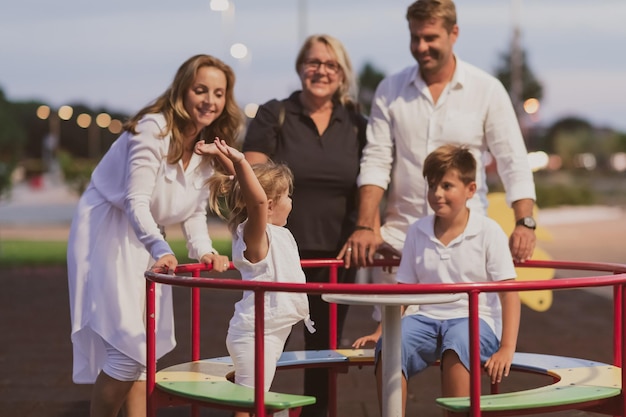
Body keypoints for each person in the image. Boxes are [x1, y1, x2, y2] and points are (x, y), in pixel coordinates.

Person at [342, 0, 536, 345]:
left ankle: (462, 400)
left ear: (454, 33)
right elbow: (376, 159)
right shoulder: (391, 89)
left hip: (465, 244)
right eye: (415, 38)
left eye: (430, 37)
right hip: (401, 240)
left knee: (460, 347)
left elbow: (512, 160)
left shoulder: (486, 89)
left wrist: (525, 222)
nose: (421, 47)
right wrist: (364, 225)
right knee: (389, 351)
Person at [67, 54, 243, 417]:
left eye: (219, 93)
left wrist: (204, 250)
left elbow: (192, 210)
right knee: (126, 348)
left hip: (146, 234)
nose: (210, 100)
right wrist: (161, 247)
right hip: (108, 229)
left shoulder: (207, 141)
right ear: (182, 90)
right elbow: (136, 199)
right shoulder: (152, 128)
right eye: (200, 90)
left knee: (144, 350)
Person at [242, 34, 367, 416]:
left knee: (324, 349)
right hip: (279, 253)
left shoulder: (358, 123)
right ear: (300, 67)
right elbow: (252, 177)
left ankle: (317, 413)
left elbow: (372, 182)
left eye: (331, 64)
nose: (321, 71)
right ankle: (254, 408)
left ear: (343, 74)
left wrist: (368, 226)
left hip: (336, 256)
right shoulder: (274, 114)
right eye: (313, 62)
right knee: (263, 340)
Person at [374, 144, 521, 414]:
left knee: (459, 344)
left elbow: (509, 294)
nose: (437, 194)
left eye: (446, 186)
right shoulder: (418, 231)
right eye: (432, 186)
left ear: (470, 190)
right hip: (427, 317)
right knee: (390, 348)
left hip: (476, 318)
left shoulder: (488, 232)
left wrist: (507, 347)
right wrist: (383, 331)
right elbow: (404, 290)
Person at [201, 138, 315, 417]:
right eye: (288, 196)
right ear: (271, 205)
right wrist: (240, 160)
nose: (292, 201)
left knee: (252, 401)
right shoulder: (257, 236)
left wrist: (226, 160)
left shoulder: (278, 233)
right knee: (250, 405)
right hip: (256, 335)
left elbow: (244, 186)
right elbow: (256, 200)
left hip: (269, 333)